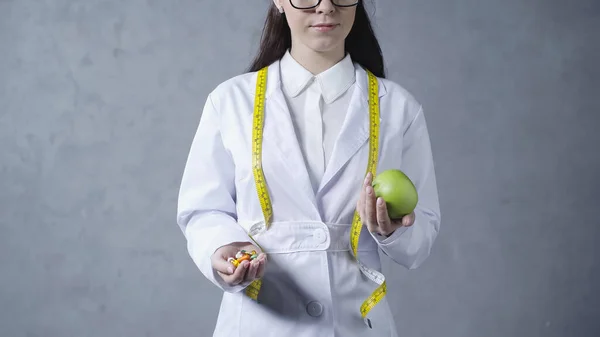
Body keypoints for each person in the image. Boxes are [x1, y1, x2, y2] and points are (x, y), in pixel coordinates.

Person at [176, 0, 441, 336]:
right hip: (261, 324)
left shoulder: (399, 108)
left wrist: (391, 231)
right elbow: (203, 210)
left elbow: (422, 235)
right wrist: (223, 247)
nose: (326, 6)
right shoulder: (230, 102)